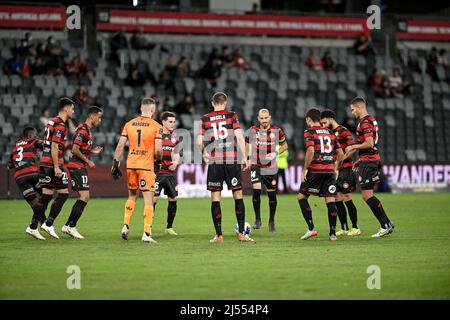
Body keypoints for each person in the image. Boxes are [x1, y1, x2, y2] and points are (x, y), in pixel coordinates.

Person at [196, 92, 253, 243]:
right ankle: (241, 233)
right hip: (231, 160)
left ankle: (219, 235)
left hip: (215, 161)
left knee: (215, 198)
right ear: (225, 102)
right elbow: (240, 136)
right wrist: (244, 157)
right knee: (238, 195)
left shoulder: (205, 119)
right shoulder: (232, 116)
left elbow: (198, 140)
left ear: (212, 102)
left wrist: (204, 153)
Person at [112, 98, 162, 243]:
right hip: (146, 166)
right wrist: (158, 161)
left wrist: (115, 164)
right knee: (148, 200)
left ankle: (125, 225)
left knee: (132, 196)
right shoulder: (156, 126)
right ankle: (146, 233)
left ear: (141, 108)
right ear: (152, 110)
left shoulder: (129, 124)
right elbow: (158, 149)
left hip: (131, 165)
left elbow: (120, 146)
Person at [343, 97, 394, 237]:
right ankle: (387, 222)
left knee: (367, 196)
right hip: (369, 159)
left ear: (359, 107)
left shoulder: (364, 123)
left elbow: (370, 143)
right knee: (367, 196)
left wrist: (354, 146)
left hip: (369, 161)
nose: (352, 113)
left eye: (353, 109)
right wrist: (360, 159)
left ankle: (385, 225)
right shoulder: (371, 120)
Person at [297, 108, 344, 241]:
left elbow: (311, 150)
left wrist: (305, 168)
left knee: (301, 197)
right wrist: (336, 168)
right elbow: (340, 154)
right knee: (330, 200)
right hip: (329, 171)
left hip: (315, 170)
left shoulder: (309, 132)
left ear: (308, 119)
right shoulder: (331, 133)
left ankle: (311, 228)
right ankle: (333, 234)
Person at [34, 98, 76, 239]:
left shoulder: (51, 121)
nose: (73, 111)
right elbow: (54, 146)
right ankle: (48, 223)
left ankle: (33, 226)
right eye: (72, 108)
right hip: (53, 163)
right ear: (66, 109)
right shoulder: (60, 125)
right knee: (63, 193)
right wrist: (57, 167)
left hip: (44, 161)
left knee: (46, 196)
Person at [63, 106, 104, 239]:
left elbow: (81, 148)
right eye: (99, 117)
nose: (100, 120)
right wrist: (88, 161)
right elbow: (74, 149)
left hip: (78, 165)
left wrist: (92, 151)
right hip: (76, 166)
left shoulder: (87, 130)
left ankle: (68, 225)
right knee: (85, 196)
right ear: (92, 116)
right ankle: (71, 226)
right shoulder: (82, 130)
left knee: (84, 196)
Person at [245, 108, 288, 232]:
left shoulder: (277, 131)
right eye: (261, 118)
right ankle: (257, 219)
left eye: (266, 118)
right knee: (256, 190)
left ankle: (271, 221)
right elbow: (246, 143)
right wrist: (247, 158)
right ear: (258, 119)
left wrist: (275, 153)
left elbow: (285, 145)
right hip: (256, 165)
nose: (264, 120)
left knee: (272, 195)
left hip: (270, 167)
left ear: (269, 117)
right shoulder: (252, 130)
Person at [320, 109, 360, 236]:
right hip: (334, 169)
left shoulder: (343, 131)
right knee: (337, 198)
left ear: (331, 119)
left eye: (325, 122)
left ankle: (355, 227)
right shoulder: (329, 133)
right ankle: (344, 227)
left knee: (347, 197)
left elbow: (352, 149)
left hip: (345, 168)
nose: (323, 125)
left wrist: (340, 161)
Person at [8, 127, 45, 240]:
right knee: (46, 195)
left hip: (20, 178)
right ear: (30, 135)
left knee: (34, 203)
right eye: (35, 134)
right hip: (33, 175)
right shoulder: (33, 141)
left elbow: (10, 165)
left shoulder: (15, 148)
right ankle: (40, 225)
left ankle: (42, 224)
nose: (37, 136)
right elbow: (45, 145)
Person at [153, 112, 181, 236]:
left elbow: (176, 153)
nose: (172, 124)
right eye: (170, 121)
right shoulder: (156, 135)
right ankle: (148, 227)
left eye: (174, 122)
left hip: (170, 173)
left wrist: (175, 162)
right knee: (153, 199)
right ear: (163, 122)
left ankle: (169, 227)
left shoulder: (175, 137)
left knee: (173, 198)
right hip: (157, 173)